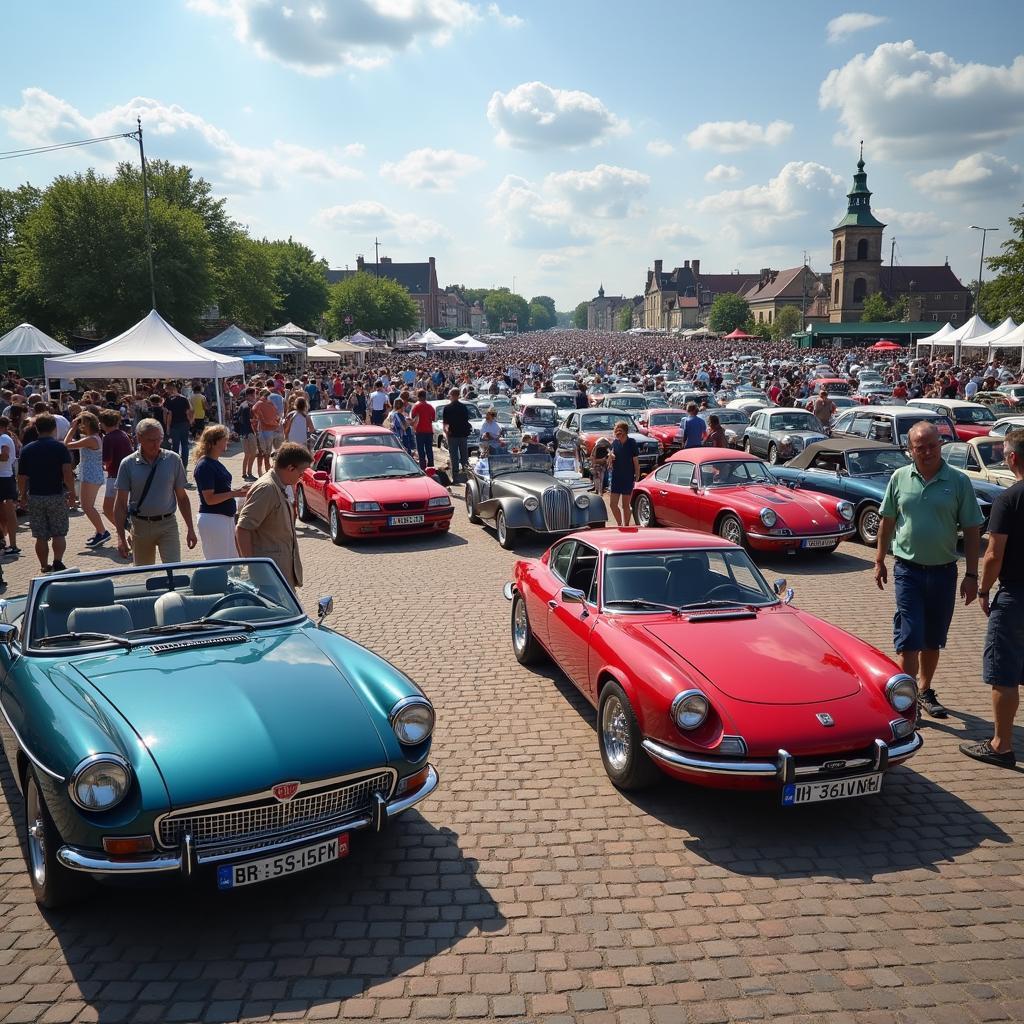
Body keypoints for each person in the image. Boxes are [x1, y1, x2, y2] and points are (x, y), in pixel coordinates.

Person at [874, 421, 983, 718]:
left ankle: (924, 689)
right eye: (919, 447)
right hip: (907, 570)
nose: (926, 452)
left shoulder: (958, 481)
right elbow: (887, 521)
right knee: (910, 637)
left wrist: (972, 575)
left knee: (933, 638)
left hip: (944, 572)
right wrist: (879, 559)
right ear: (910, 450)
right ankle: (906, 700)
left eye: (932, 445)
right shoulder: (899, 478)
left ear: (941, 445)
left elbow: (973, 529)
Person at [961, 428, 1024, 768]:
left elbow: (993, 554)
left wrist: (983, 589)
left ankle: (1001, 744)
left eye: (1003, 451)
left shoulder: (1009, 499)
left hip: (1016, 596)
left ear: (1011, 458)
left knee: (1004, 672)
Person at [113, 418, 198, 566]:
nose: (156, 444)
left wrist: (190, 528)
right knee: (145, 574)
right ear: (139, 438)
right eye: (151, 440)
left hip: (168, 524)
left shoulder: (173, 459)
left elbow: (183, 498)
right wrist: (120, 537)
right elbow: (120, 503)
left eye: (159, 439)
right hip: (140, 526)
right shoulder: (128, 464)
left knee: (174, 570)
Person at [235, 442, 312, 589]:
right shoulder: (267, 489)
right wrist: (254, 567)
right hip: (269, 577)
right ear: (290, 468)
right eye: (301, 473)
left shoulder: (278, 485)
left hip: (280, 572)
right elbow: (243, 528)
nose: (301, 477)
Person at [16, 413, 75, 574]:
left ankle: (44, 565)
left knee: (40, 535)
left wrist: (22, 496)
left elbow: (22, 477)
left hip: (35, 495)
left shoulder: (27, 449)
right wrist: (72, 493)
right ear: (54, 428)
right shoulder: (60, 447)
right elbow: (67, 472)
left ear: (36, 428)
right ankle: (58, 561)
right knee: (59, 532)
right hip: (56, 494)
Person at [193, 425, 249, 560]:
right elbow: (209, 499)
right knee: (219, 563)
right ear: (214, 443)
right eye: (224, 439)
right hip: (214, 520)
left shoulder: (214, 462)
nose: (227, 442)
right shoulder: (205, 465)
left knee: (231, 562)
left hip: (223, 519)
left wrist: (239, 491)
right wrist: (234, 493)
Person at [64, 412, 109, 548]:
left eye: (81, 423)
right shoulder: (92, 438)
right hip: (91, 474)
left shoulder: (91, 439)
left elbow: (66, 444)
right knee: (88, 506)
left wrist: (72, 428)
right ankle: (99, 531)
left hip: (91, 476)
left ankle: (103, 532)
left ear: (87, 424)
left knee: (86, 506)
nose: (80, 426)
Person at [99, 409, 133, 537]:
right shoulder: (123, 434)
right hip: (127, 474)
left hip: (114, 476)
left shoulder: (108, 438)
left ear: (103, 423)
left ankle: (126, 531)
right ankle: (127, 531)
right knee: (122, 507)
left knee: (108, 509)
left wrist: (103, 466)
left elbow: (108, 460)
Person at [608, 420, 640, 527]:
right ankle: (619, 523)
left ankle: (626, 526)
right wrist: (610, 458)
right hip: (616, 477)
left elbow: (635, 461)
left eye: (620, 431)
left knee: (625, 505)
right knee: (613, 504)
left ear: (625, 432)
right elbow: (611, 460)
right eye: (616, 431)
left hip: (628, 477)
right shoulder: (615, 443)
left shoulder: (632, 442)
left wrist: (637, 475)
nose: (617, 433)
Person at [442, 388, 472, 480]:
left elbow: (445, 424)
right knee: (464, 456)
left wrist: (446, 434)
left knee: (454, 456)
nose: (449, 397)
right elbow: (467, 420)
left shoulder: (447, 408)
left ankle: (456, 477)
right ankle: (467, 475)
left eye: (450, 395)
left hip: (453, 435)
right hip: (463, 435)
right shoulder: (463, 407)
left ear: (453, 395)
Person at [163, 382, 194, 469]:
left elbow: (169, 414)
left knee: (175, 445)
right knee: (184, 444)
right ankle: (185, 463)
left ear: (171, 389)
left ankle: (176, 464)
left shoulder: (169, 400)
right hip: (184, 423)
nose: (167, 391)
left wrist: (167, 427)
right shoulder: (184, 399)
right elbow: (189, 411)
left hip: (174, 425)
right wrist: (190, 422)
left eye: (167, 389)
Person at [251, 388, 280, 476]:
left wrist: (260, 417)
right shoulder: (271, 404)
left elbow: (254, 409)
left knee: (262, 453)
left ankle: (262, 472)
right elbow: (276, 414)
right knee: (267, 453)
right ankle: (266, 471)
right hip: (271, 430)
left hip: (263, 430)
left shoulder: (259, 403)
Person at [0, 416, 18, 555]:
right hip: (5, 478)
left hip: (4, 478)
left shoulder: (4, 438)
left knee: (9, 512)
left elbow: (4, 456)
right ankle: (4, 542)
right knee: (3, 515)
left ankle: (13, 544)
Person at [235, 386, 258, 481]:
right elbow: (248, 421)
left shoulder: (243, 404)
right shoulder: (247, 406)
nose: (255, 396)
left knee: (247, 454)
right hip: (249, 433)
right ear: (250, 395)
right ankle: (249, 473)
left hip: (244, 433)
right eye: (254, 394)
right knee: (252, 454)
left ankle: (244, 473)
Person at [410, 389, 436, 470]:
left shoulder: (416, 406)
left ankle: (423, 468)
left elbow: (412, 417)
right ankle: (431, 467)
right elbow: (433, 419)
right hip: (429, 431)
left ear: (418, 397)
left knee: (421, 451)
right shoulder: (431, 406)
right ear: (425, 396)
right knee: (429, 450)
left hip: (419, 431)